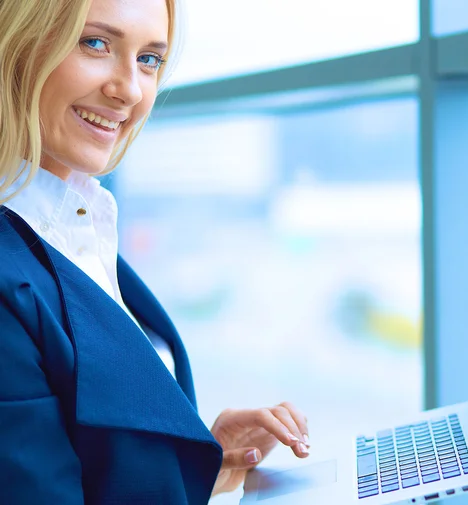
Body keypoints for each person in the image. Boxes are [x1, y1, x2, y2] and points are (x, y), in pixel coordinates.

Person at [0, 0, 310, 503]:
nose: (130, 89)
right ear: (18, 45)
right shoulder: (13, 269)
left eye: (149, 59)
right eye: (95, 43)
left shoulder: (75, 230)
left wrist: (197, 466)